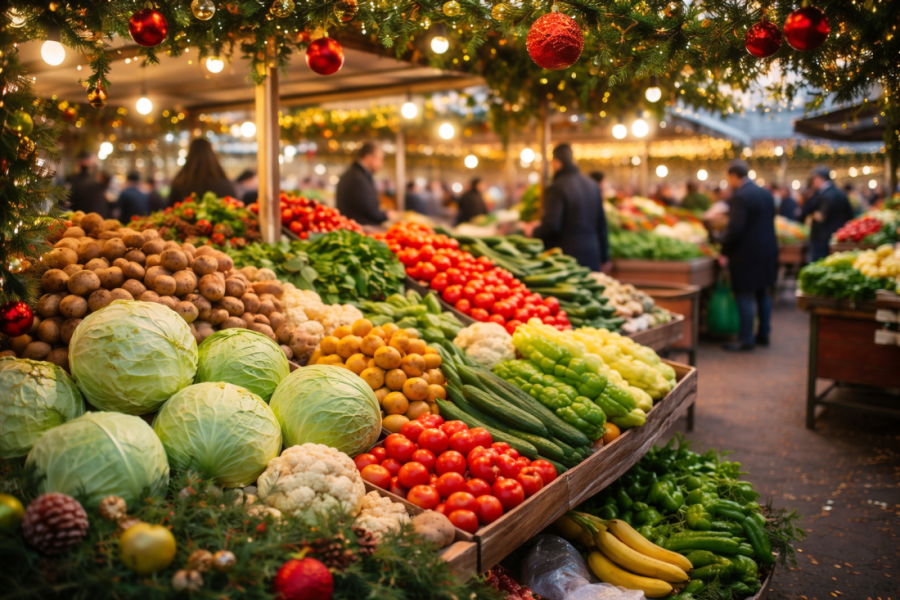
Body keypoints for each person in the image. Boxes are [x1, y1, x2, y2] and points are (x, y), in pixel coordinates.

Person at [719, 162, 778, 352]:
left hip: (746, 254)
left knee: (744, 294)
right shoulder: (765, 193)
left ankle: (745, 338)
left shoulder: (741, 196)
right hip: (767, 251)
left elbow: (735, 228)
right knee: (762, 292)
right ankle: (764, 334)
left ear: (734, 176)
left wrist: (724, 250)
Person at [523, 144, 609, 272]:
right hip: (592, 252)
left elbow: (552, 225)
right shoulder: (593, 185)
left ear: (557, 162)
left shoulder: (557, 187)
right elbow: (601, 224)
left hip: (567, 257)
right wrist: (605, 257)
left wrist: (533, 231)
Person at [799, 166, 854, 262]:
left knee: (819, 265)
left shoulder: (822, 194)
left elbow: (820, 216)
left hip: (821, 238)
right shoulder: (841, 193)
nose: (812, 182)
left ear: (819, 178)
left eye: (814, 179)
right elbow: (850, 216)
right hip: (838, 237)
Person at [167, 138, 237, 205]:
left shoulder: (179, 182)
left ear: (189, 155)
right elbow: (235, 207)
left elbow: (170, 209)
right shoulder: (224, 183)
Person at [336, 141, 388, 225]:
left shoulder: (356, 174)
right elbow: (369, 210)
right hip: (359, 230)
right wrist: (386, 215)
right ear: (368, 157)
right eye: (380, 159)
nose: (381, 164)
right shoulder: (357, 178)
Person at [66, 151, 110, 217]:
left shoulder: (77, 180)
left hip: (82, 218)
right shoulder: (91, 182)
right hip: (95, 219)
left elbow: (71, 202)